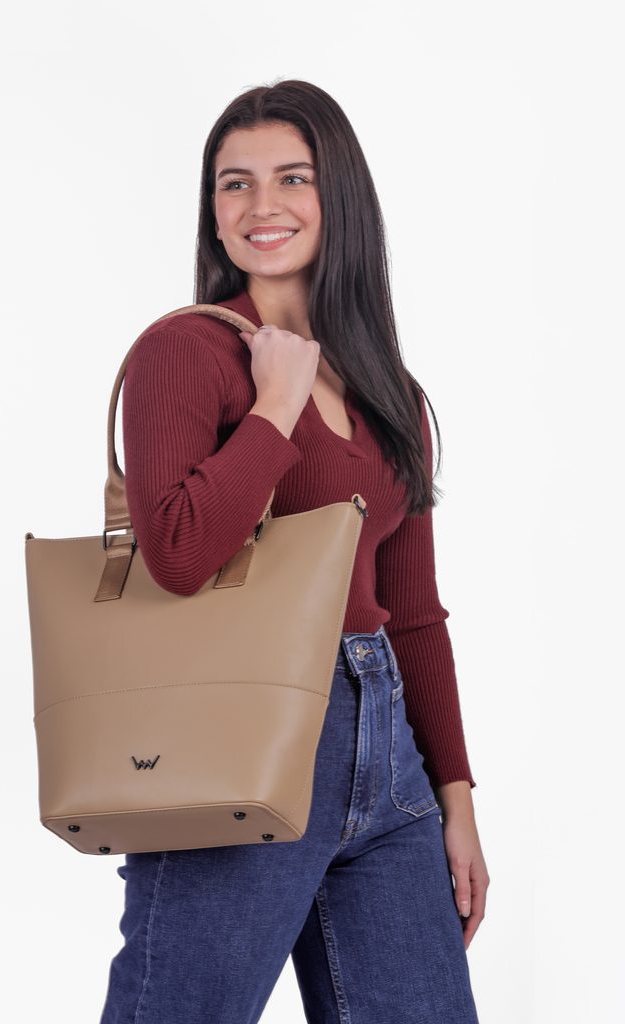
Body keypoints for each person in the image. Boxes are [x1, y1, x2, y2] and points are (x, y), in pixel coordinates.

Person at [99, 79, 488, 1024]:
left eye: (292, 177)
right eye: (234, 183)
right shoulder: (185, 353)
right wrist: (273, 407)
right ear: (213, 210)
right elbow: (178, 553)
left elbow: (415, 613)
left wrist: (457, 798)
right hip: (240, 737)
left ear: (337, 194)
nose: (260, 205)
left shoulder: (391, 390)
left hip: (386, 758)